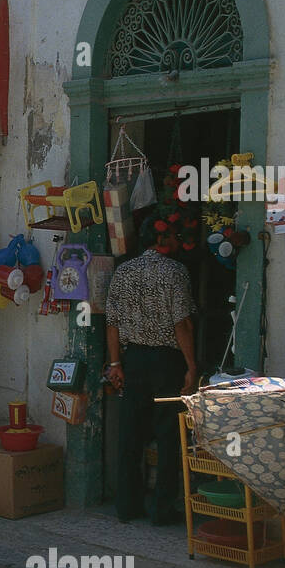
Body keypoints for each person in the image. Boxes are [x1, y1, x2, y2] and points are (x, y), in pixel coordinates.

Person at [104, 217, 198, 526]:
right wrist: (191, 366)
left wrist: (116, 364)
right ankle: (161, 509)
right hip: (166, 363)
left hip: (134, 362)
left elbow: (113, 324)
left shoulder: (123, 271)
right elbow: (182, 324)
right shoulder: (175, 272)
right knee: (169, 435)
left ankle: (127, 506)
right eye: (174, 235)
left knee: (130, 435)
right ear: (163, 238)